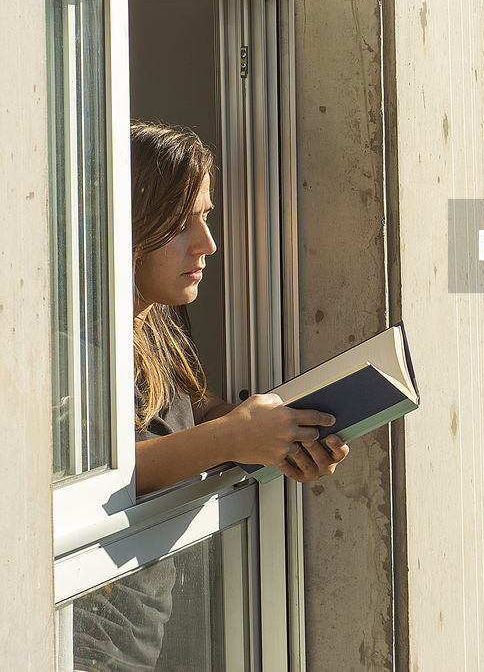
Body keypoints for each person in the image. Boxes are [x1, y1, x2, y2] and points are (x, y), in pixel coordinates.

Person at [73, 121, 349, 670]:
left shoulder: (159, 317)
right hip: (83, 644)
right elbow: (99, 480)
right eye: (181, 222)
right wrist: (235, 436)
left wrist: (275, 433)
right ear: (123, 225)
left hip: (139, 632)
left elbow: (184, 410)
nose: (208, 243)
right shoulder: (70, 343)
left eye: (206, 214)